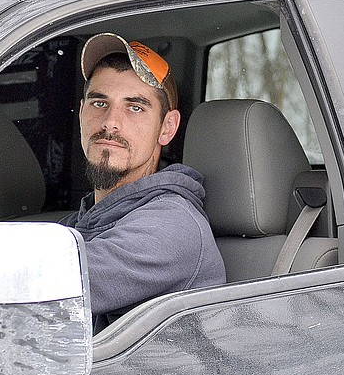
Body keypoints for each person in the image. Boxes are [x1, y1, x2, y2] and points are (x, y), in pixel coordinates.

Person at [62, 33, 225, 333]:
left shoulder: (174, 228)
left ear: (167, 128)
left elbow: (45, 283)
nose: (111, 122)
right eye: (100, 103)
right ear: (83, 112)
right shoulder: (79, 223)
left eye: (134, 107)